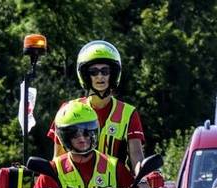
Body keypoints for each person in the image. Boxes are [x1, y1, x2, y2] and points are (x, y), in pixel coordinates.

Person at [29, 101, 169, 188]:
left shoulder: (114, 166)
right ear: (63, 136)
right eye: (74, 134)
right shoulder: (54, 169)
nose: (82, 138)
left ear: (95, 131)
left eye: (87, 132)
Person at [48, 41, 146, 172]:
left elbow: (137, 156)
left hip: (117, 183)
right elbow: (57, 158)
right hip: (75, 183)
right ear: (85, 76)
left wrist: (145, 176)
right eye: (93, 72)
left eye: (105, 71)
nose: (100, 76)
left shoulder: (128, 113)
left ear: (113, 74)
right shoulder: (67, 110)